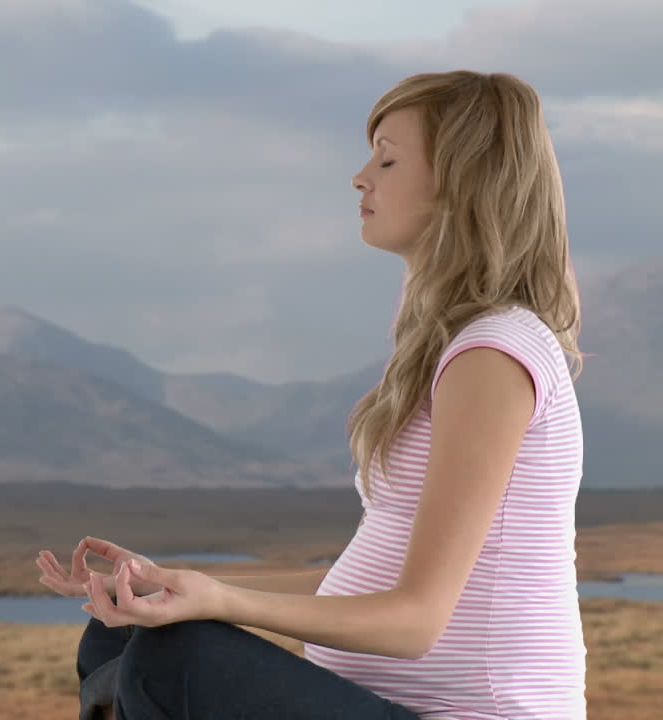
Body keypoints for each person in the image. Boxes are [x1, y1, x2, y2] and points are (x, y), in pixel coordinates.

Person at [37, 69, 589, 720]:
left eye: (387, 157)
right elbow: (362, 582)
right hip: (387, 705)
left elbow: (415, 621)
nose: (361, 176)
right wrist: (171, 585)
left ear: (462, 183)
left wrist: (214, 602)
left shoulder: (493, 356)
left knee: (175, 657)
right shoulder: (449, 348)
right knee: (125, 625)